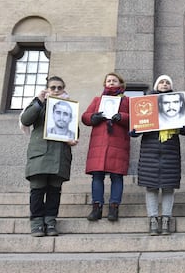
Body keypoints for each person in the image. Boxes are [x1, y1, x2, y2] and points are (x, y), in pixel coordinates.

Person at [130, 75, 185, 235]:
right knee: (151, 187)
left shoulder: (178, 104)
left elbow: (184, 131)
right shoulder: (146, 102)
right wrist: (134, 130)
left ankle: (166, 219)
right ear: (157, 85)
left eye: (167, 82)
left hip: (170, 150)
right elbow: (137, 129)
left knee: (168, 187)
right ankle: (153, 219)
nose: (164, 84)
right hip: (150, 150)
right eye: (161, 82)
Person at [20, 76, 78, 237]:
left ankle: (50, 222)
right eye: (53, 87)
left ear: (64, 88)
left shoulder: (69, 106)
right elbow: (26, 120)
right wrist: (39, 101)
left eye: (60, 87)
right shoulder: (39, 103)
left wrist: (73, 140)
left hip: (60, 155)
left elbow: (74, 130)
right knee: (37, 190)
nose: (57, 90)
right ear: (47, 89)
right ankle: (37, 223)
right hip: (40, 154)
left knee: (54, 191)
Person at [81, 72, 130, 222]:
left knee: (116, 176)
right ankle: (97, 207)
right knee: (97, 176)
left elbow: (135, 118)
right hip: (99, 144)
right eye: (108, 81)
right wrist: (92, 117)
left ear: (120, 84)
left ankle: (114, 207)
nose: (111, 83)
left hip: (118, 143)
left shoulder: (126, 101)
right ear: (104, 84)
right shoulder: (97, 100)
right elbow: (85, 116)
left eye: (114, 81)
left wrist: (122, 117)